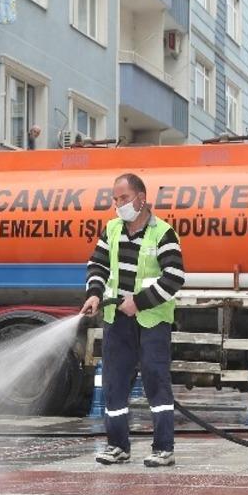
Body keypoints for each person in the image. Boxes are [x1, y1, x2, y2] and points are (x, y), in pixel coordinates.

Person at [79, 173, 185, 466]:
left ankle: (163, 448)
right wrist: (94, 294)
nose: (118, 204)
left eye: (123, 198)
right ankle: (117, 446)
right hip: (116, 320)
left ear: (140, 198)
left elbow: (174, 277)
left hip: (152, 321)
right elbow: (97, 265)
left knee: (155, 380)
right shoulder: (111, 230)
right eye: (115, 199)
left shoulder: (163, 233)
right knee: (114, 384)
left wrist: (137, 303)